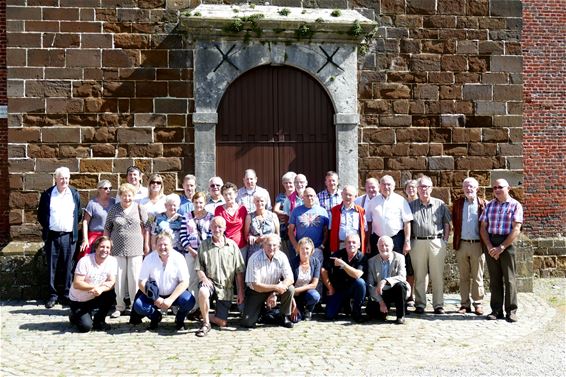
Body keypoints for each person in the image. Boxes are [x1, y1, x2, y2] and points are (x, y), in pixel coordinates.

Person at [479, 179, 523, 322]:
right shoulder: (489, 206)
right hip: (491, 242)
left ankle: (511, 311)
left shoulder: (515, 205)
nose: (497, 189)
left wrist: (502, 247)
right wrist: (490, 246)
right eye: (495, 187)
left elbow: (516, 229)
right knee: (495, 279)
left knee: (510, 279)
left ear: (508, 188)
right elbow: (483, 228)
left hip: (507, 243)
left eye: (500, 187)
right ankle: (496, 310)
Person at [38, 167, 82, 308]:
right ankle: (53, 295)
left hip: (69, 236)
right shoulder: (48, 194)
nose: (64, 181)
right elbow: (41, 215)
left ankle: (67, 294)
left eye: (67, 178)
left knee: (69, 266)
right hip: (52, 235)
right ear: (56, 178)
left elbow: (79, 215)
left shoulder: (74, 194)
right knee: (52, 266)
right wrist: (51, 227)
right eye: (61, 178)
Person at [132, 232, 195, 330]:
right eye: (160, 245)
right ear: (155, 246)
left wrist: (170, 299)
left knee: (189, 301)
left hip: (174, 294)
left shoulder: (179, 258)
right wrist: (155, 298)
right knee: (139, 305)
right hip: (154, 295)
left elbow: (185, 282)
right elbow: (141, 283)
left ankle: (180, 319)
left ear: (171, 245)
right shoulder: (149, 258)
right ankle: (155, 317)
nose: (162, 247)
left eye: (165, 244)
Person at [194, 217, 245, 337]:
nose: (217, 229)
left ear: (225, 228)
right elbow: (198, 267)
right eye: (214, 226)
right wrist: (204, 279)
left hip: (225, 288)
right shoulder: (204, 244)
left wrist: (241, 292)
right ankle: (206, 324)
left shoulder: (232, 245)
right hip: (210, 282)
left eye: (220, 227)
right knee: (203, 291)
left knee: (222, 322)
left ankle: (202, 314)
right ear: (210, 228)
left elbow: (239, 271)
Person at [366, 175, 413, 304]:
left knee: (398, 267)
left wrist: (407, 241)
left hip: (396, 239)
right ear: (380, 186)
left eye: (389, 184)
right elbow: (369, 222)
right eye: (384, 184)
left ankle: (402, 299)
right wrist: (368, 242)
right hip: (377, 239)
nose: (386, 187)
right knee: (377, 269)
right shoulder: (373, 201)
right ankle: (378, 298)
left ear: (393, 186)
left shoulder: (400, 200)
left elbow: (407, 222)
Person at [104, 183, 149, 318]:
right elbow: (107, 228)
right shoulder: (114, 209)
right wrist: (106, 244)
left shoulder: (140, 208)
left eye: (129, 196)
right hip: (117, 248)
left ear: (133, 196)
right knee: (118, 278)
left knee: (134, 278)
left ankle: (135, 307)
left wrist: (146, 245)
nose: (127, 198)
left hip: (136, 247)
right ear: (120, 196)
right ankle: (119, 306)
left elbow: (147, 228)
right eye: (124, 196)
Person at [409, 175, 451, 315]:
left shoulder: (440, 204)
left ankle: (438, 305)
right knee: (420, 275)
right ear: (417, 189)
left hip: (436, 242)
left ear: (431, 188)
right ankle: (420, 304)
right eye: (421, 187)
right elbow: (407, 224)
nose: (423, 189)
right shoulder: (411, 206)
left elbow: (446, 223)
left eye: (426, 186)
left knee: (437, 275)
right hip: (417, 242)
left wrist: (444, 240)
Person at [241, 234, 295, 329]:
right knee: (248, 322)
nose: (271, 248)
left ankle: (284, 316)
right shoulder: (254, 258)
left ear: (279, 246)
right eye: (269, 245)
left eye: (274, 245)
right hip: (256, 291)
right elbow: (256, 285)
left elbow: (290, 278)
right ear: (263, 245)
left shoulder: (282, 256)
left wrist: (274, 292)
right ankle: (262, 312)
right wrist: (276, 288)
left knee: (290, 289)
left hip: (274, 289)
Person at [452, 177, 486, 315]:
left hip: (477, 244)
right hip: (462, 244)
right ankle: (464, 304)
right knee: (463, 276)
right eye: (466, 186)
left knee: (478, 276)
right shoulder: (458, 204)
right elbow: (454, 220)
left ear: (477, 188)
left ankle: (478, 303)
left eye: (471, 186)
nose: (468, 189)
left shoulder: (483, 204)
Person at [68, 236, 117, 332]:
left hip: (95, 296)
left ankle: (99, 321)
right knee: (86, 327)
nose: (105, 250)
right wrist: (95, 288)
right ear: (96, 247)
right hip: (79, 299)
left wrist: (101, 289)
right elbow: (77, 283)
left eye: (108, 248)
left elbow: (112, 281)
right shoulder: (84, 261)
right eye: (102, 247)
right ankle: (74, 315)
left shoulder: (112, 261)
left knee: (111, 294)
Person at [321, 233, 366, 322]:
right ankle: (344, 304)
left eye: (354, 242)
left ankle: (356, 311)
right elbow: (323, 270)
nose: (351, 245)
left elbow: (357, 275)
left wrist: (343, 264)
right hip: (338, 289)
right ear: (345, 244)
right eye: (348, 242)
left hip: (353, 288)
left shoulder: (362, 257)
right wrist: (330, 287)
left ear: (359, 245)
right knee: (329, 315)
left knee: (360, 282)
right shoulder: (337, 254)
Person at [179, 191, 214, 306]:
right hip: (190, 253)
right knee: (191, 279)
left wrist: (202, 251)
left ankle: (203, 305)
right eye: (196, 202)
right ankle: (193, 306)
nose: (198, 205)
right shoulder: (186, 216)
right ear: (192, 202)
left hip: (205, 252)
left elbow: (211, 234)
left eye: (201, 202)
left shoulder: (210, 217)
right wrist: (190, 250)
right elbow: (183, 235)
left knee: (204, 279)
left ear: (205, 203)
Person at [366, 236, 410, 325]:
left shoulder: (400, 258)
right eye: (381, 245)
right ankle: (384, 309)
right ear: (377, 246)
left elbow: (402, 277)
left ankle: (400, 316)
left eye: (387, 245)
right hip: (381, 292)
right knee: (372, 313)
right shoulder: (371, 261)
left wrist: (385, 281)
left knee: (400, 285)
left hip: (395, 290)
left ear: (392, 246)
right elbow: (370, 285)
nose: (384, 248)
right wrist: (381, 302)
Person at [288, 187, 329, 263]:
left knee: (317, 272)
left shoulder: (322, 211)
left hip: (317, 249)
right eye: (307, 196)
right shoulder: (296, 211)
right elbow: (290, 231)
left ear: (315, 197)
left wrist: (322, 246)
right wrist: (296, 246)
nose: (310, 198)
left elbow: (326, 231)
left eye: (312, 195)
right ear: (303, 197)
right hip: (302, 249)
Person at [79, 180, 116, 259]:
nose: (108, 190)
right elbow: (85, 222)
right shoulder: (92, 203)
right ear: (99, 189)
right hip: (95, 236)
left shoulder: (114, 202)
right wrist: (85, 239)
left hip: (109, 236)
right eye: (105, 188)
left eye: (110, 188)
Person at [289, 237, 321, 322]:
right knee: (296, 319)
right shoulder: (292, 262)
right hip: (293, 296)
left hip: (306, 293)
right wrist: (294, 305)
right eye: (302, 248)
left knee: (315, 296)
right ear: (298, 249)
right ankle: (298, 309)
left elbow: (314, 284)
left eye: (307, 248)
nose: (304, 251)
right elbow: (288, 285)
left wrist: (296, 290)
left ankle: (308, 310)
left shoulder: (316, 262)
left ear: (312, 250)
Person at [244, 192, 280, 264]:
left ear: (266, 202)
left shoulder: (273, 216)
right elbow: (246, 236)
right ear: (254, 202)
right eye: (257, 201)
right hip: (255, 251)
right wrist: (250, 237)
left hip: (271, 249)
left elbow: (277, 235)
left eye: (262, 201)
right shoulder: (249, 217)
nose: (259, 203)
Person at [329, 185, 366, 254]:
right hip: (340, 245)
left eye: (350, 195)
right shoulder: (334, 211)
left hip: (355, 246)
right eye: (345, 194)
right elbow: (330, 229)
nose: (347, 197)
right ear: (341, 195)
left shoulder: (361, 211)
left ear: (355, 196)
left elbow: (364, 230)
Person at [215, 182, 248, 257]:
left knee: (241, 268)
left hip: (241, 247)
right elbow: (217, 229)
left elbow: (246, 229)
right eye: (225, 194)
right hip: (225, 247)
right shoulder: (219, 210)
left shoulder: (242, 209)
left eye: (230, 194)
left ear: (236, 194)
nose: (228, 197)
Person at [273, 171, 296, 257]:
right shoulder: (281, 196)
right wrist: (286, 214)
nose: (288, 185)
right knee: (285, 252)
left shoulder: (298, 196)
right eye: (285, 183)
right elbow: (275, 209)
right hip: (283, 228)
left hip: (296, 228)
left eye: (290, 182)